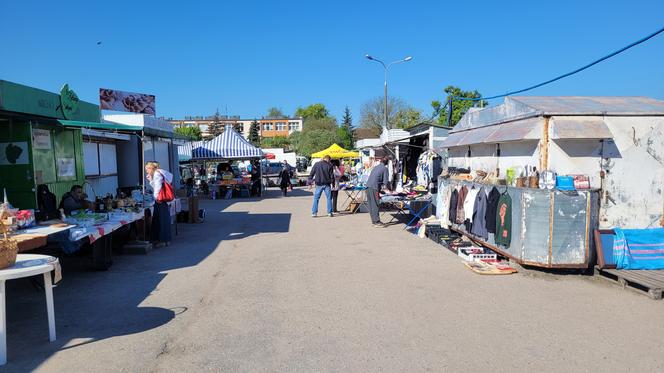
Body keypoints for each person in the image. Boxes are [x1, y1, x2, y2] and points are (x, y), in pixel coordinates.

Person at [145, 161, 173, 245]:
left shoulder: (157, 174)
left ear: (151, 168)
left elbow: (158, 187)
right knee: (162, 219)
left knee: (160, 220)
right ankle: (164, 239)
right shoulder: (161, 173)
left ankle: (162, 240)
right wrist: (150, 180)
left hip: (160, 200)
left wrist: (156, 197)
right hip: (162, 200)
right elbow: (157, 186)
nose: (146, 171)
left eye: (147, 169)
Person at [366, 156, 392, 227]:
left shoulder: (376, 167)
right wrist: (390, 190)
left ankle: (374, 221)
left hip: (368, 186)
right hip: (374, 187)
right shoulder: (385, 169)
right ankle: (377, 222)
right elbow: (385, 182)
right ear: (387, 162)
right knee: (375, 204)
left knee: (371, 204)